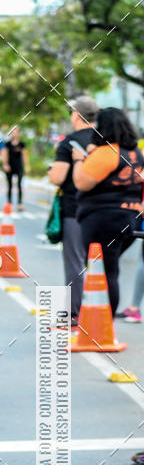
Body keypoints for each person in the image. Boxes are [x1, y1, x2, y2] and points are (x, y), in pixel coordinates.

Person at [74, 106, 144, 315]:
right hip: (130, 217)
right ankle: (101, 318)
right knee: (109, 267)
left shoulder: (106, 153)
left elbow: (82, 183)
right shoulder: (135, 153)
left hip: (103, 219)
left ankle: (103, 320)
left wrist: (78, 159)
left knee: (105, 271)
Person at [48, 95, 98, 325]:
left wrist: (51, 171)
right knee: (102, 262)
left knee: (75, 262)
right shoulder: (105, 141)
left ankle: (73, 312)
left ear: (76, 115)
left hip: (74, 210)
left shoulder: (70, 142)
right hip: (101, 209)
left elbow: (58, 178)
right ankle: (101, 312)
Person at [1, 126, 29, 211]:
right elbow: (5, 154)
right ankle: (9, 203)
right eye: (13, 132)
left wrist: (27, 166)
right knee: (9, 185)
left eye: (16, 132)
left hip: (19, 166)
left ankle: (20, 203)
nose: (14, 133)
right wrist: (5, 164)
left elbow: (24, 155)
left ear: (19, 133)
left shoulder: (22, 144)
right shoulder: (8, 144)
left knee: (20, 185)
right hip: (10, 167)